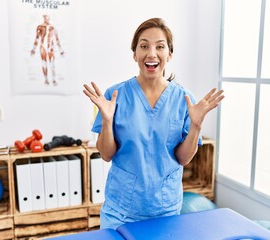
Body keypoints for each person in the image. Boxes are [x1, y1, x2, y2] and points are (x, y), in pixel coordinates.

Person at [83, 18, 224, 230]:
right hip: (121, 211)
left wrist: (196, 125)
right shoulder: (115, 95)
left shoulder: (183, 98)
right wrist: (107, 120)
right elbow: (106, 154)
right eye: (144, 46)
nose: (151, 53)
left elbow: (183, 158)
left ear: (170, 54)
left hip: (164, 210)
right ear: (134, 54)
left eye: (160, 46)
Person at [31, 14, 64, 86]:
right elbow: (37, 38)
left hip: (50, 47)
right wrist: (33, 49)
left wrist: (61, 50)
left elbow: (57, 39)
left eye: (47, 18)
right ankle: (46, 80)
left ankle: (54, 79)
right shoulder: (40, 27)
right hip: (43, 47)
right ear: (43, 18)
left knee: (52, 64)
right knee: (44, 64)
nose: (46, 19)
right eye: (45, 18)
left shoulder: (53, 27)